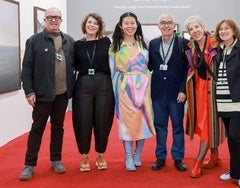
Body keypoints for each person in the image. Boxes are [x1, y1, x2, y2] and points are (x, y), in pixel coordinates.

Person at [19, 7, 75, 181]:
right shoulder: (34, 41)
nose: (53, 20)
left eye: (56, 17)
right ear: (45, 20)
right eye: (50, 17)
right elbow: (26, 69)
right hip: (42, 95)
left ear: (61, 20)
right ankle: (29, 164)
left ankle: (56, 160)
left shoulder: (69, 41)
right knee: (37, 129)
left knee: (58, 128)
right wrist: (29, 91)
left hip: (62, 94)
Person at [109, 12, 155, 171]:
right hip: (124, 89)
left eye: (132, 23)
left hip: (143, 88)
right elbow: (111, 70)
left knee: (143, 122)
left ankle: (138, 154)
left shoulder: (145, 43)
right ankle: (128, 156)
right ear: (121, 25)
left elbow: (150, 66)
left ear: (137, 24)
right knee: (127, 124)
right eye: (126, 23)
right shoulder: (114, 45)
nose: (130, 26)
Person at [214, 19, 240, 188]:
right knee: (231, 139)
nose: (223, 31)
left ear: (234, 30)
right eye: (221, 29)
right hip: (222, 102)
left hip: (238, 102)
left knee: (234, 136)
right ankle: (233, 171)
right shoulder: (219, 50)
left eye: (227, 28)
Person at [184, 15, 225, 178]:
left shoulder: (216, 43)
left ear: (203, 26)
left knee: (208, 124)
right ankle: (215, 156)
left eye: (196, 27)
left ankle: (198, 162)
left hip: (213, 90)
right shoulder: (191, 47)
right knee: (204, 123)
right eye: (191, 29)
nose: (195, 31)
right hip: (198, 91)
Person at [72, 13, 114, 172]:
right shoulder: (77, 45)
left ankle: (100, 155)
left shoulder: (106, 42)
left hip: (104, 83)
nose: (91, 25)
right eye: (89, 22)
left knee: (103, 120)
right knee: (83, 120)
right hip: (83, 84)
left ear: (99, 27)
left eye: (95, 23)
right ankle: (84, 156)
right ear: (85, 25)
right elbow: (74, 66)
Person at [148, 13, 188, 171]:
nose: (166, 25)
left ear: (174, 25)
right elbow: (149, 66)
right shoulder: (153, 43)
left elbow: (188, 69)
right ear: (158, 26)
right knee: (160, 126)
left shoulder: (183, 43)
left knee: (178, 126)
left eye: (169, 23)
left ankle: (178, 158)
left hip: (177, 93)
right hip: (158, 93)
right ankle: (160, 157)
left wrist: (183, 90)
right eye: (163, 23)